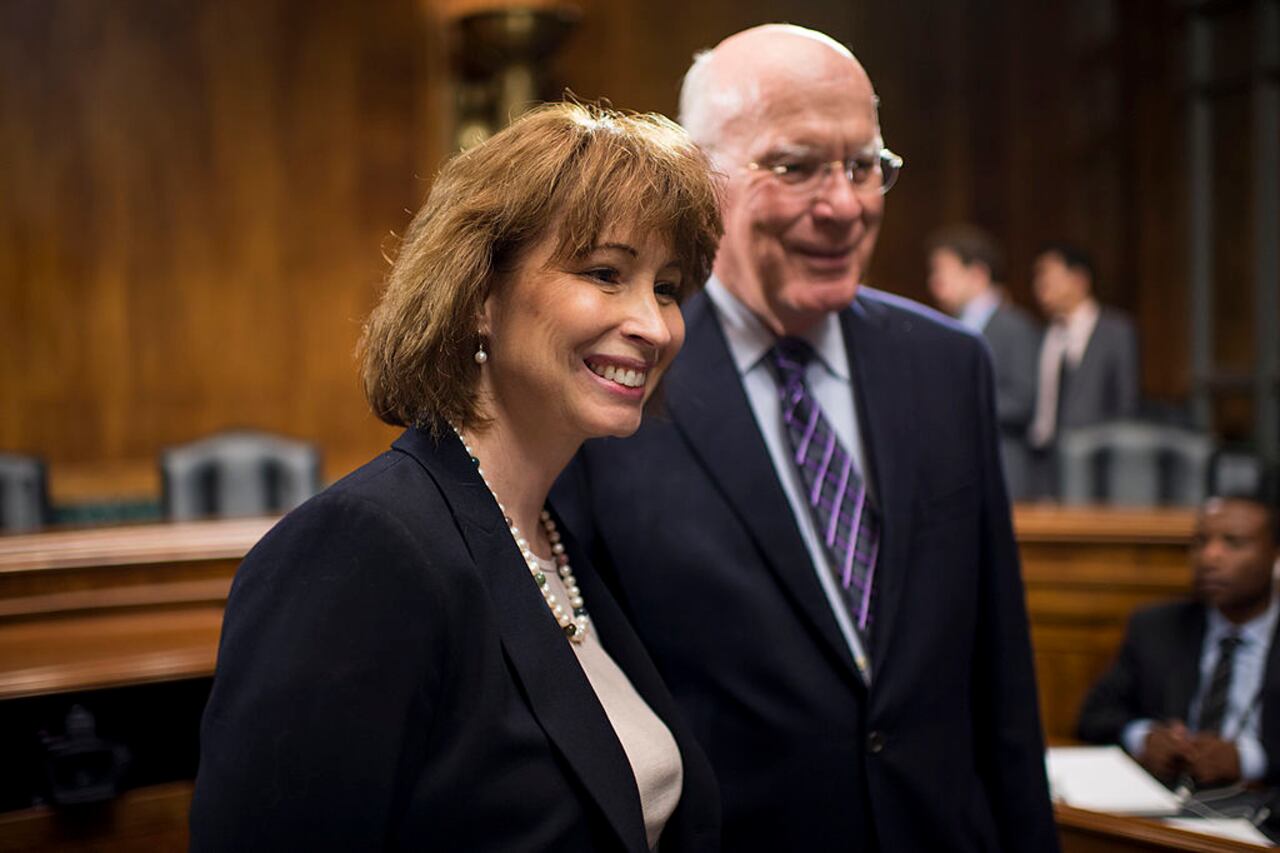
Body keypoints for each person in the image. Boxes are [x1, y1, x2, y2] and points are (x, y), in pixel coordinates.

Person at [553, 24, 1058, 852]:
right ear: (699, 177)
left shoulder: (947, 366)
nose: (846, 204)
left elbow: (997, 673)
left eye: (865, 165)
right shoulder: (619, 384)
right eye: (796, 166)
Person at [189, 102, 724, 852]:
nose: (655, 323)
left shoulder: (555, 535)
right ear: (479, 296)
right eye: (606, 273)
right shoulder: (364, 549)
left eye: (666, 287)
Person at [1078, 477, 1280, 788]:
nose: (1210, 557)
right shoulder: (1157, 627)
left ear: (1275, 555)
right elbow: (1094, 716)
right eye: (1200, 542)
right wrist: (1144, 737)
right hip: (1169, 802)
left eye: (1233, 543)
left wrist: (1249, 759)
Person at [927, 225, 1041, 500]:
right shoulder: (943, 327)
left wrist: (954, 404)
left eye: (943, 272)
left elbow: (1022, 401)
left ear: (977, 274)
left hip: (1003, 466)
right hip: (954, 471)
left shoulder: (1016, 326)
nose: (934, 282)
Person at [1027, 242, 1140, 489]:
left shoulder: (1115, 331)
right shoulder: (1043, 334)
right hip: (1042, 460)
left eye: (1048, 275)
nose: (1040, 285)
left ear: (1078, 279)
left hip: (1093, 460)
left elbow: (1125, 403)